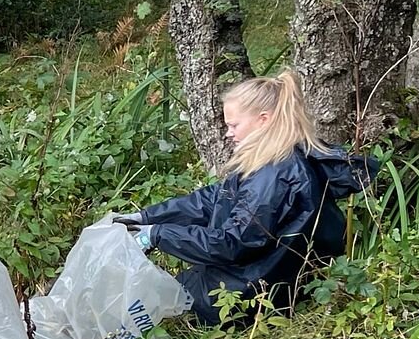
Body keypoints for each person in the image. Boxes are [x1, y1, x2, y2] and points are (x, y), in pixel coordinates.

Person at [114, 68, 376, 325]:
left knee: (144, 304)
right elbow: (213, 199)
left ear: (263, 119)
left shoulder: (274, 176)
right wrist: (145, 217)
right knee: (156, 296)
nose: (228, 133)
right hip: (258, 276)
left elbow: (233, 242)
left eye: (234, 125)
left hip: (253, 290)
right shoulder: (273, 160)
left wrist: (158, 234)